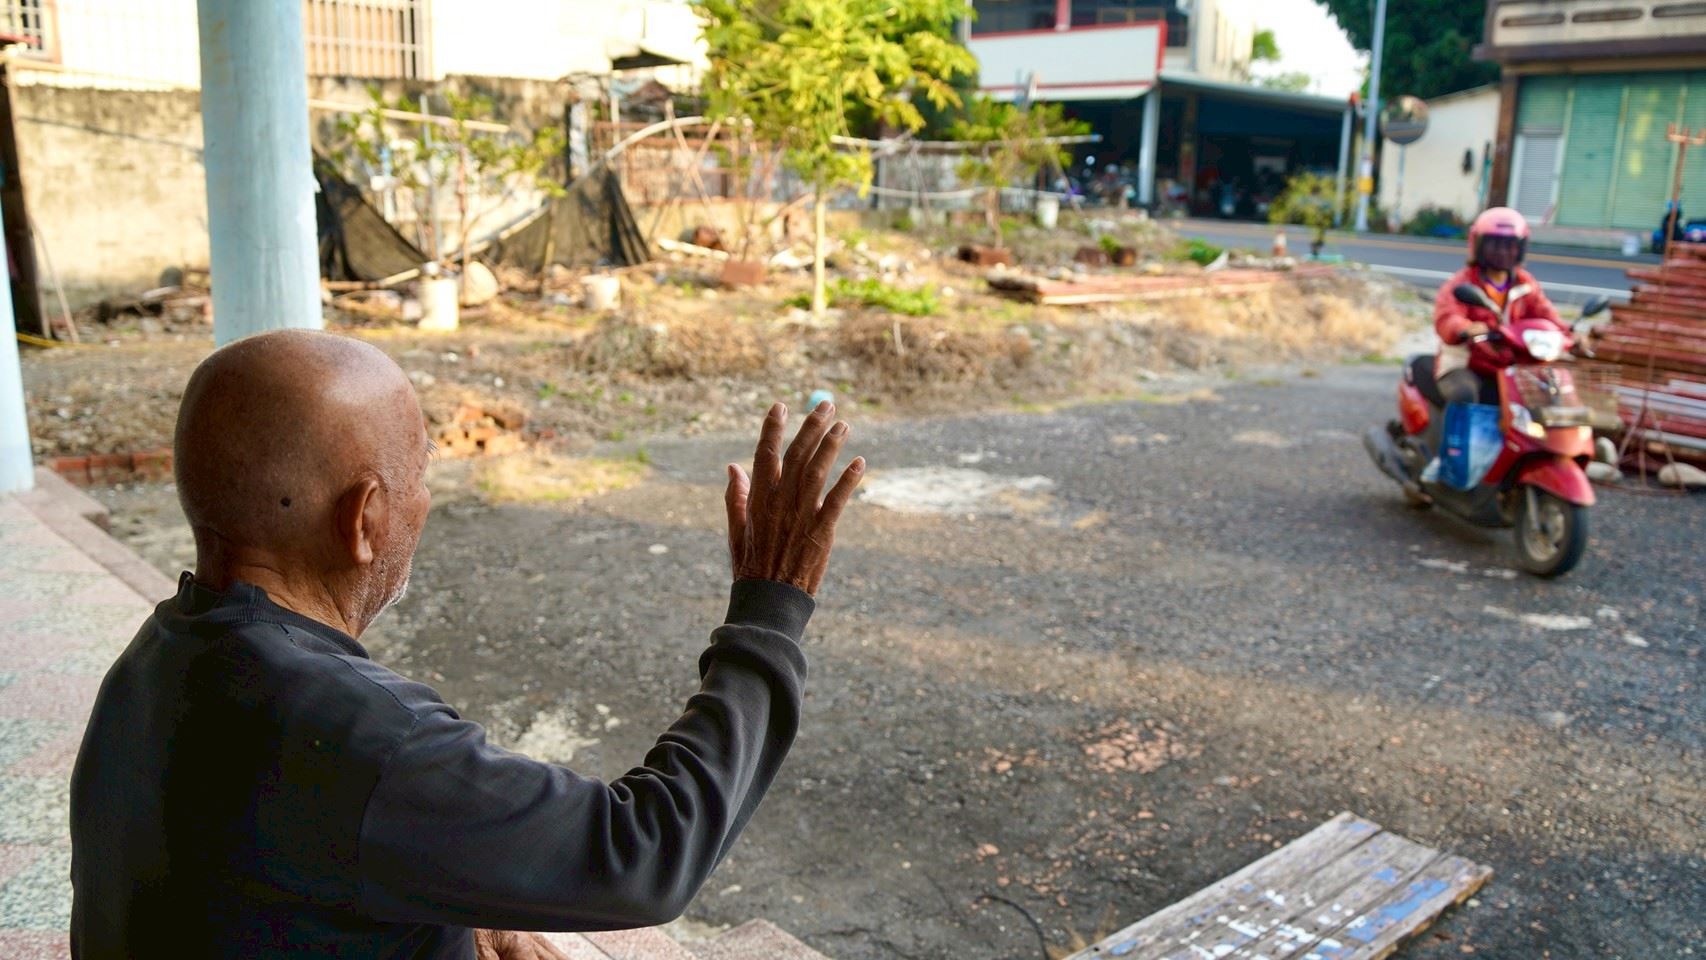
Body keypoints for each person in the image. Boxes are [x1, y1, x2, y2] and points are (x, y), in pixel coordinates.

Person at [68, 330, 865, 959]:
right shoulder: (355, 734)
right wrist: (771, 607)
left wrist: (451, 916)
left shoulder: (158, 658)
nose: (425, 502)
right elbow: (645, 850)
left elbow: (271, 880)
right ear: (365, 518)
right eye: (420, 475)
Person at [1432, 206, 1566, 406]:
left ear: (1520, 248)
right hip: (1466, 362)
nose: (1503, 252)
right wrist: (1466, 328)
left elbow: (1547, 315)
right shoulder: (1462, 283)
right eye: (1494, 245)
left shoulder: (1526, 284)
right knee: (1463, 395)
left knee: (1552, 396)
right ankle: (1454, 438)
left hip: (1512, 364)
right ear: (1478, 245)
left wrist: (1570, 334)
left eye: (1510, 245)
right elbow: (1447, 317)